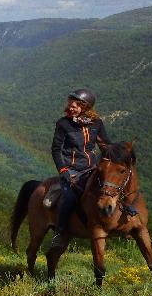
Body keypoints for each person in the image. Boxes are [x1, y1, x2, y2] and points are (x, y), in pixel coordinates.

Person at [49, 89, 132, 248]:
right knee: (69, 198)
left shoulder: (96, 123)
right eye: (70, 104)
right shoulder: (63, 124)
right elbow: (56, 149)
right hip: (71, 169)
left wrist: (120, 155)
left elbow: (105, 145)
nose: (70, 107)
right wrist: (63, 171)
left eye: (75, 105)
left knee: (111, 188)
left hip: (91, 168)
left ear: (85, 107)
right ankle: (59, 233)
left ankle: (126, 218)